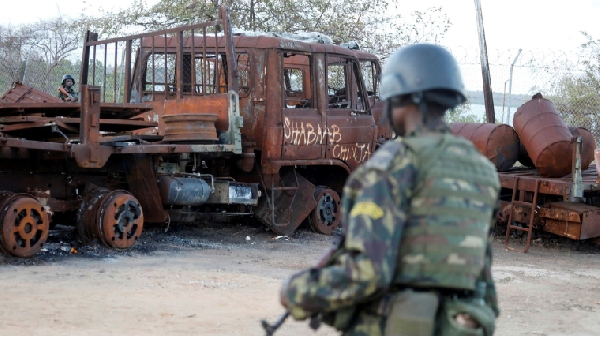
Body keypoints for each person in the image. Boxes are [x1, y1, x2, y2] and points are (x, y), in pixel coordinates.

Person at [279, 43, 501, 336]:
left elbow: (368, 274)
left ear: (401, 98)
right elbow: (481, 268)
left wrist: (299, 292)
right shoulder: (481, 169)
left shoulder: (388, 168)